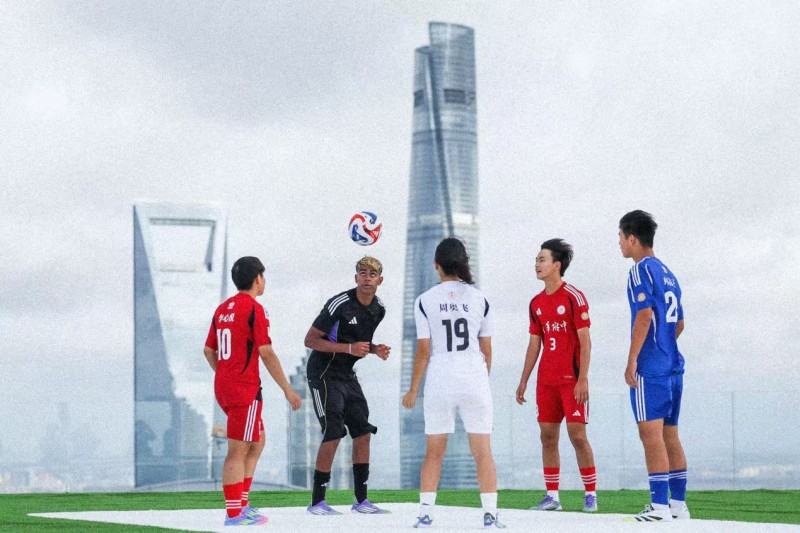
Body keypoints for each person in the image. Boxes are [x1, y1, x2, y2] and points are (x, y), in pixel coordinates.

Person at [402, 237, 506, 529]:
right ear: (463, 264)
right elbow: (487, 350)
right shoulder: (480, 299)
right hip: (474, 377)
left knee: (434, 452)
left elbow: (423, 350)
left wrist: (412, 390)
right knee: (483, 452)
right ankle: (490, 515)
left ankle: (425, 515)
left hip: (440, 379)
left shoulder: (424, 300)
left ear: (436, 265)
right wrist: (480, 380)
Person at [203, 256, 302, 527]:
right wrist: (287, 390)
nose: (264, 281)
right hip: (243, 389)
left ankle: (242, 505)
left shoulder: (222, 309)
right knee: (238, 450)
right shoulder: (255, 309)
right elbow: (266, 352)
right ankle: (234, 513)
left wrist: (225, 374)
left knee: (257, 441)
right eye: (263, 276)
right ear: (258, 278)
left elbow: (208, 350)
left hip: (227, 386)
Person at [304, 256, 392, 515]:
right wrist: (348, 349)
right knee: (333, 431)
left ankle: (361, 501)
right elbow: (310, 340)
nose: (367, 278)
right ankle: (317, 502)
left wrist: (375, 349)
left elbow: (359, 342)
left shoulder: (379, 309)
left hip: (346, 374)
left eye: (372, 274)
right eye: (362, 273)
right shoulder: (339, 304)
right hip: (323, 372)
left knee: (363, 432)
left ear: (380, 280)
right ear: (356, 278)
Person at [516, 239, 598, 513]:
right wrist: (524, 379)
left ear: (556, 265)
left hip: (571, 381)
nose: (536, 264)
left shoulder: (573, 296)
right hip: (546, 382)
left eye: (542, 259)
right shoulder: (536, 303)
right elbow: (534, 344)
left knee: (578, 437)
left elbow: (585, 341)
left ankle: (590, 494)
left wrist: (582, 378)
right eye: (536, 260)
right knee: (547, 437)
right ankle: (552, 496)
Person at [618, 210, 690, 522]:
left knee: (651, 436)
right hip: (674, 367)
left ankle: (659, 507)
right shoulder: (668, 273)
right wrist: (664, 345)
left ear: (632, 238)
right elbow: (680, 324)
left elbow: (644, 315)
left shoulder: (639, 270)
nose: (620, 243)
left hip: (651, 368)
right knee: (670, 434)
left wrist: (633, 358)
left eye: (621, 237)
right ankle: (678, 507)